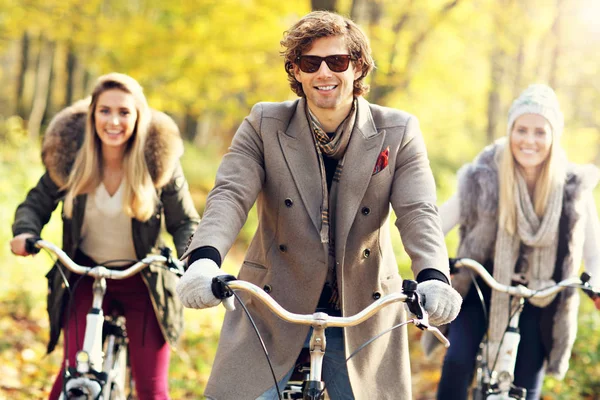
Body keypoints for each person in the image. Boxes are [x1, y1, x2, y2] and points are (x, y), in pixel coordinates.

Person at [175, 10, 461, 400]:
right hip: (274, 301)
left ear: (358, 67)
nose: (324, 73)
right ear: (296, 71)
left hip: (362, 305)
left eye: (338, 61)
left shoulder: (398, 129)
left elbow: (418, 211)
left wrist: (433, 275)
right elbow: (230, 194)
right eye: (311, 63)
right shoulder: (264, 123)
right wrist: (204, 260)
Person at [10, 72, 200, 400]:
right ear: (92, 114)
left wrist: (193, 259)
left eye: (124, 112)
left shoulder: (158, 163)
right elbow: (36, 202)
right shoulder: (70, 159)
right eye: (105, 111)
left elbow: (184, 223)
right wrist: (26, 232)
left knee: (152, 390)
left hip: (143, 281)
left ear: (138, 116)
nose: (114, 121)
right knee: (72, 380)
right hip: (86, 276)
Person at [430, 84, 600, 400]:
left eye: (539, 131)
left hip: (541, 295)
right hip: (483, 284)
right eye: (521, 129)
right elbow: (434, 227)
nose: (529, 140)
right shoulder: (484, 174)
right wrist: (436, 268)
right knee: (457, 362)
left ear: (553, 136)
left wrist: (596, 285)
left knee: (526, 387)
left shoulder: (573, 187)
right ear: (510, 131)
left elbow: (595, 252)